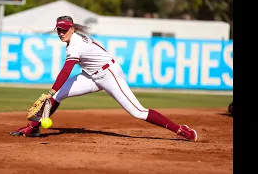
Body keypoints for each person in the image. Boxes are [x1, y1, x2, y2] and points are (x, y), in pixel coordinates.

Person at [10, 16, 198, 142]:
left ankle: (181, 129)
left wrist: (50, 90)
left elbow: (66, 71)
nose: (61, 33)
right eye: (58, 30)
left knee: (138, 112)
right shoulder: (73, 40)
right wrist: (54, 92)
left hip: (109, 74)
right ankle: (34, 127)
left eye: (64, 29)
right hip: (91, 76)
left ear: (72, 29)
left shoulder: (75, 45)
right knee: (58, 95)